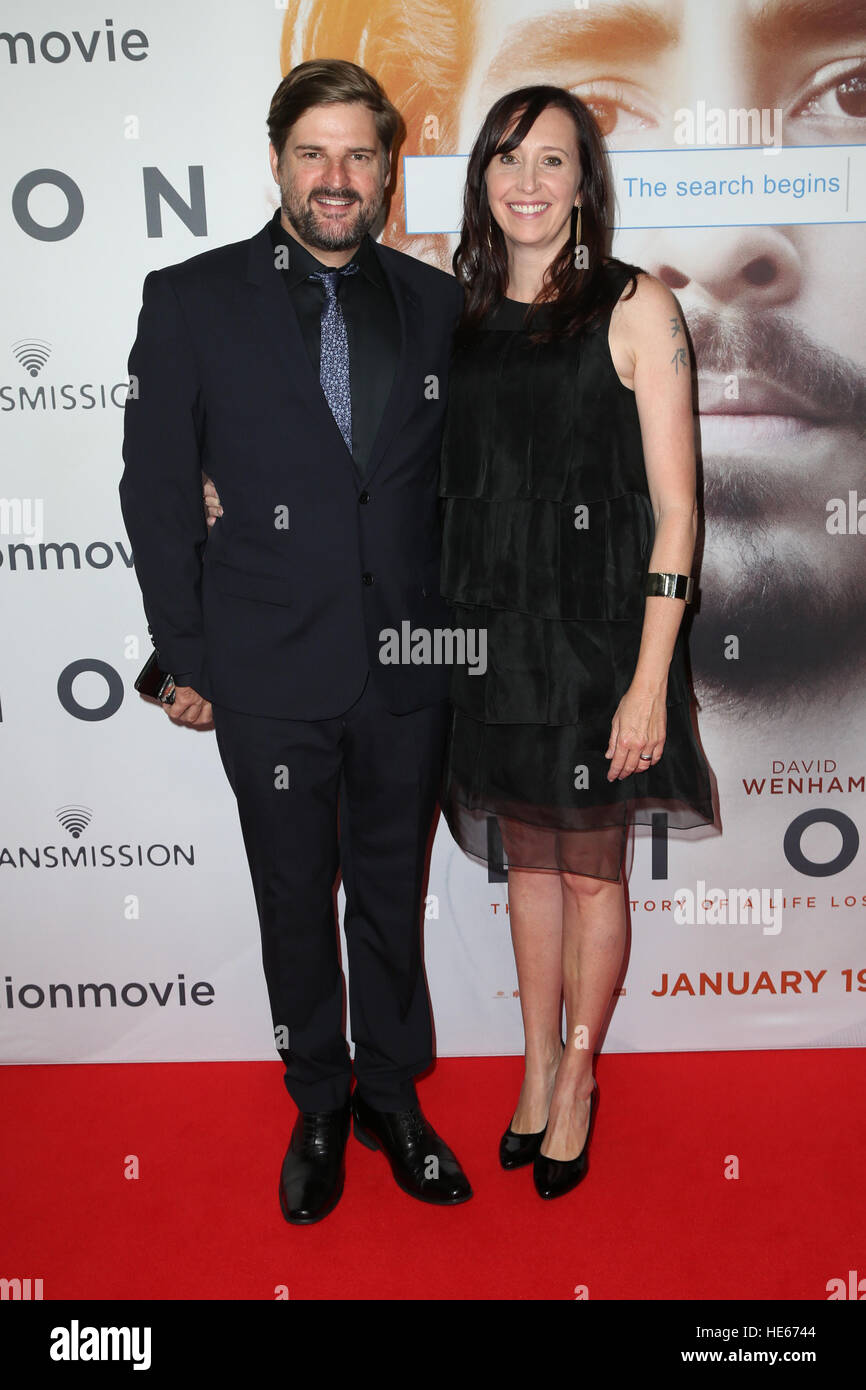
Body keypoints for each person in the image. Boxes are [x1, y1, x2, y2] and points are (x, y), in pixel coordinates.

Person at [119, 58, 471, 1225]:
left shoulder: (435, 306)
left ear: (387, 168)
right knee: (290, 898)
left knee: (390, 889)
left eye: (359, 155)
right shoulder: (191, 297)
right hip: (264, 667)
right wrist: (186, 653)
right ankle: (317, 1099)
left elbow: (459, 489)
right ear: (275, 158)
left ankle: (392, 1097)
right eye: (313, 153)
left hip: (408, 665)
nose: (336, 178)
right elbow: (159, 492)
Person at [438, 85, 714, 1198]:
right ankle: (536, 1059)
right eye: (507, 160)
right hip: (489, 635)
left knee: (593, 873)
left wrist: (649, 682)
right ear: (482, 179)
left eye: (550, 161)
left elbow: (678, 510)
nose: (526, 183)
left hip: (600, 641)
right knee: (529, 870)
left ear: (582, 180)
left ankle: (582, 1077)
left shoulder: (633, 304)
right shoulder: (455, 314)